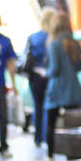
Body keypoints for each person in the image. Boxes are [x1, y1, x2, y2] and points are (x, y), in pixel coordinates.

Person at [43, 11, 81, 160]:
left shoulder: (54, 44)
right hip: (73, 89)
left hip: (57, 89)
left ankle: (50, 155)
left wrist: (45, 73)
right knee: (73, 127)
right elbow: (79, 67)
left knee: (51, 124)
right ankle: (73, 156)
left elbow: (54, 69)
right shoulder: (75, 44)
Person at [23, 9, 54, 148]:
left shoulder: (33, 37)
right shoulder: (52, 38)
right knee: (48, 106)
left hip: (34, 76)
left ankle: (37, 138)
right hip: (48, 75)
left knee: (37, 106)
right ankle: (46, 136)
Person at [0, 13, 18, 158]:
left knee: (2, 115)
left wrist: (13, 85)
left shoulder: (5, 41)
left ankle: (3, 146)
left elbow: (11, 64)